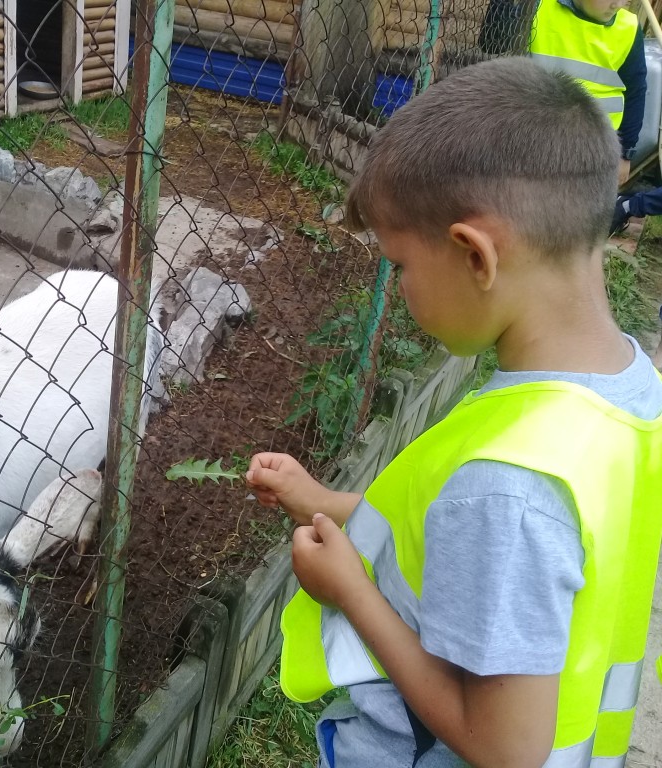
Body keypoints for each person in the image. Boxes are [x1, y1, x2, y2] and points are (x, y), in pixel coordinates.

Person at [246, 57, 662, 768]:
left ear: (475, 255)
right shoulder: (625, 391)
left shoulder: (507, 485)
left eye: (400, 265)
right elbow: (455, 543)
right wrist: (320, 502)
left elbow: (503, 748)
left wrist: (351, 590)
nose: (399, 286)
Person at [482, 0, 647, 184]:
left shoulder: (628, 28)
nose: (617, 4)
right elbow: (490, 42)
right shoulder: (538, 7)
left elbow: (636, 92)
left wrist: (626, 153)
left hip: (593, 151)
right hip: (532, 139)